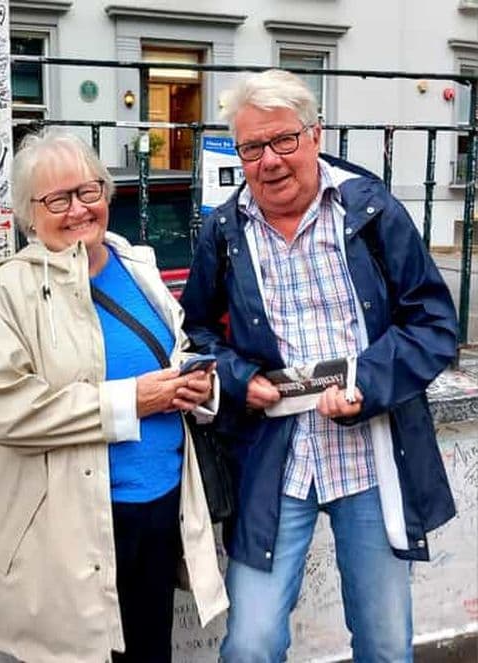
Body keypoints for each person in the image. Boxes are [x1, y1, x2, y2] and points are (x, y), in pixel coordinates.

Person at [180, 69, 458, 662]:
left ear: (314, 134)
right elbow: (197, 331)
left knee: (385, 646)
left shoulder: (372, 210)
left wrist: (366, 383)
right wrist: (237, 380)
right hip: (274, 459)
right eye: (252, 148)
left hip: (370, 457)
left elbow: (434, 325)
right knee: (250, 644)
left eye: (283, 140)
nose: (270, 161)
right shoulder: (225, 231)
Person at [0, 128, 228, 663]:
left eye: (88, 192)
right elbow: (8, 412)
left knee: (150, 652)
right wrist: (132, 401)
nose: (78, 210)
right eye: (57, 199)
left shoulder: (137, 265)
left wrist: (197, 385)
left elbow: (175, 352)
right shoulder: (9, 291)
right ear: (29, 215)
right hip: (78, 524)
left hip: (159, 507)